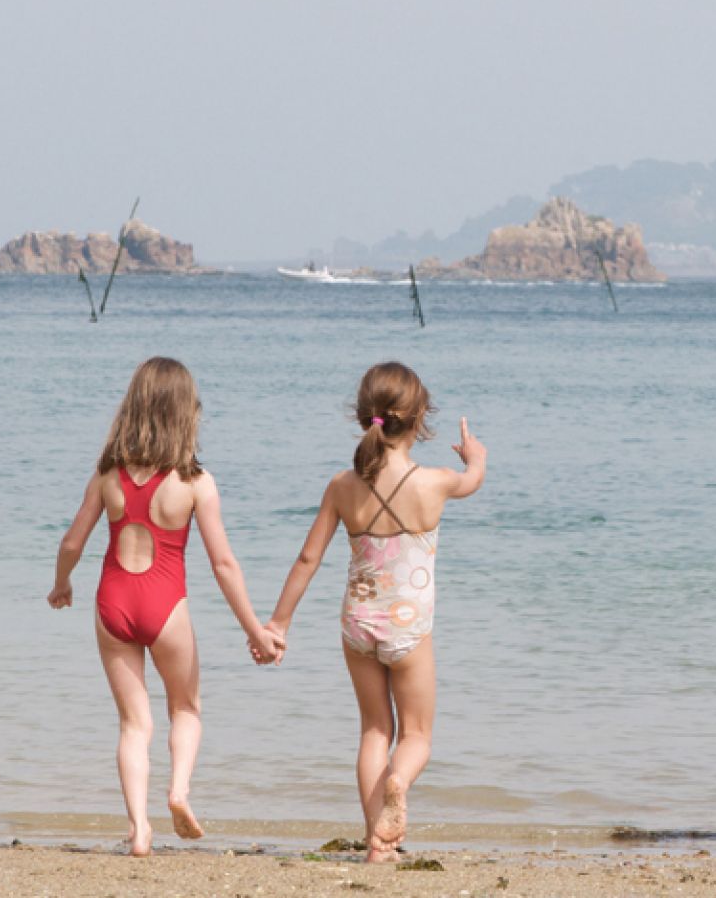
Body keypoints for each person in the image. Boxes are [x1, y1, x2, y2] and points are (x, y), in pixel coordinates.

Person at [48, 356, 284, 856]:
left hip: (112, 602)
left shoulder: (106, 475)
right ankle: (178, 791)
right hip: (165, 605)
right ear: (186, 412)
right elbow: (224, 565)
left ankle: (139, 830)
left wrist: (61, 585)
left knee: (135, 723)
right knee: (186, 708)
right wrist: (255, 631)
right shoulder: (196, 482)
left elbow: (72, 541)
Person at [261, 361, 487, 862]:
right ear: (420, 417)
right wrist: (476, 456)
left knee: (373, 731)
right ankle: (399, 784)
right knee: (417, 735)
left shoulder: (343, 485)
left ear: (366, 417)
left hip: (357, 626)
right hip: (410, 630)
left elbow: (307, 558)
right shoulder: (436, 482)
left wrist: (277, 622)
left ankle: (377, 844)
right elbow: (474, 480)